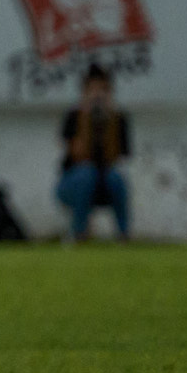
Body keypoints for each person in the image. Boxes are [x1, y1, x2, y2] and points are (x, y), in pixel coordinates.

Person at [56, 64, 131, 241]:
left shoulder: (118, 119)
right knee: (86, 174)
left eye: (103, 90)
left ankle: (123, 234)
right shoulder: (74, 116)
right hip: (73, 183)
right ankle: (79, 233)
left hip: (104, 184)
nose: (97, 95)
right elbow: (77, 154)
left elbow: (117, 157)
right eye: (92, 90)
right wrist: (86, 119)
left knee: (117, 179)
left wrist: (109, 120)